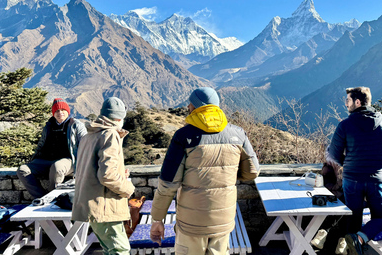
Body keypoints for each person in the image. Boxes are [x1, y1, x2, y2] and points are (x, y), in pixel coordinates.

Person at [149, 87, 260, 255]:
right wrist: (227, 173)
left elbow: (168, 183)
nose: (187, 107)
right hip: (223, 221)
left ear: (194, 107)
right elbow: (252, 172)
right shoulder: (238, 134)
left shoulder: (183, 136)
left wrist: (157, 219)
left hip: (191, 223)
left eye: (190, 104)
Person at [328, 87, 382, 255]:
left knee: (352, 218)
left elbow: (333, 153)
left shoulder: (345, 125)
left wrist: (348, 164)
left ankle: (350, 247)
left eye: (347, 100)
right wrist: (380, 165)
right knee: (381, 219)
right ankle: (360, 238)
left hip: (352, 179)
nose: (345, 104)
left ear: (357, 102)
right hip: (377, 180)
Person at [72, 97, 135, 255]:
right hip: (105, 206)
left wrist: (120, 172)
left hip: (91, 204)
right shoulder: (110, 135)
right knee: (120, 250)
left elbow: (90, 169)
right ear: (120, 118)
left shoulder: (88, 137)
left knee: (110, 249)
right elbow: (107, 175)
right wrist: (128, 188)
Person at [17, 98, 86, 199]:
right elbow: (41, 144)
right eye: (57, 111)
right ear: (53, 113)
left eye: (63, 110)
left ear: (67, 111)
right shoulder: (49, 126)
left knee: (57, 167)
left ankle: (52, 198)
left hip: (69, 160)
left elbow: (86, 143)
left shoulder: (75, 125)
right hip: (47, 160)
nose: (60, 113)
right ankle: (41, 197)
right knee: (22, 170)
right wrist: (34, 159)